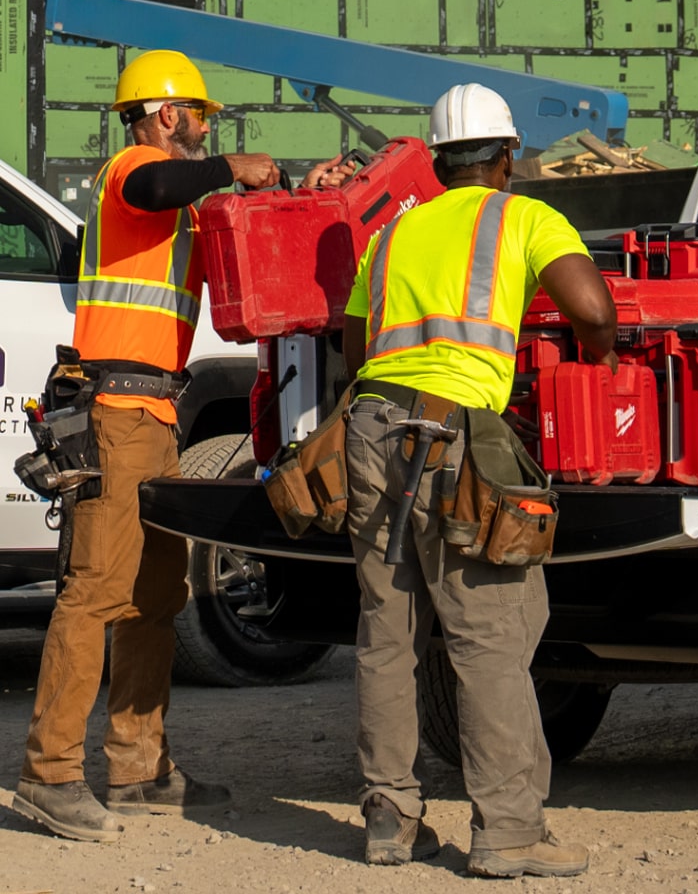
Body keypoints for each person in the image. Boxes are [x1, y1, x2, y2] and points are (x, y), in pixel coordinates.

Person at [13, 50, 351, 842]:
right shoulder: (133, 172)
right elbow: (160, 185)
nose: (205, 131)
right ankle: (49, 772)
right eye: (200, 117)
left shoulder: (186, 208)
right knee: (95, 590)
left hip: (157, 416)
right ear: (169, 114)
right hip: (117, 412)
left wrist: (300, 188)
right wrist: (232, 165)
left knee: (157, 598)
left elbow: (239, 228)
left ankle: (137, 768)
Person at [340, 83, 615, 876]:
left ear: (434, 162)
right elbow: (592, 308)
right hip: (455, 434)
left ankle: (389, 819)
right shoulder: (523, 217)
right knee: (489, 637)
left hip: (370, 428)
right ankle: (508, 834)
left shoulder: (391, 234)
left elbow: (356, 341)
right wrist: (597, 365)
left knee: (388, 634)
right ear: (506, 157)